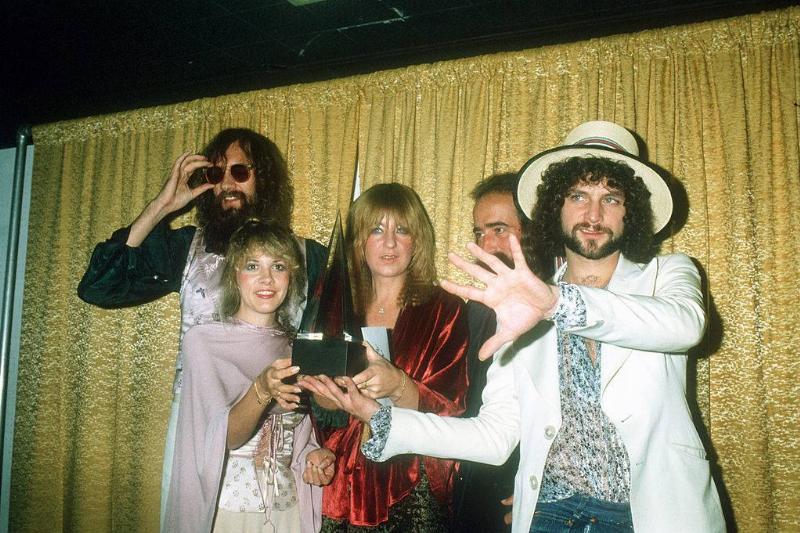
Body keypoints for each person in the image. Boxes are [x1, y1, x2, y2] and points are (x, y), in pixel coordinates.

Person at [304, 122, 726, 532]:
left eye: (611, 198)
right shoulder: (520, 303)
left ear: (630, 210)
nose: (593, 213)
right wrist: (378, 417)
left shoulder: (668, 274)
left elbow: (684, 326)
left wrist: (556, 303)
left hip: (654, 510)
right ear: (553, 209)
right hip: (552, 513)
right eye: (578, 195)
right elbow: (493, 436)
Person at [76, 128, 327, 528]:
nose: (226, 183)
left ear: (265, 178)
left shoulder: (306, 257)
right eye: (215, 174)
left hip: (275, 432)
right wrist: (162, 205)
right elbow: (100, 285)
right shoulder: (188, 247)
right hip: (197, 422)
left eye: (240, 171)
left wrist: (318, 445)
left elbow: (326, 357)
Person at [299, 183, 470, 532]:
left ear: (417, 241)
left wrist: (398, 385)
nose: (389, 243)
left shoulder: (446, 310)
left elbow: (453, 410)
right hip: (343, 481)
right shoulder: (332, 305)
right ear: (359, 241)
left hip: (410, 484)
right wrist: (325, 413)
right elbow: (318, 410)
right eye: (376, 229)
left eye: (401, 230)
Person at [165, 220, 334, 533]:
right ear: (234, 275)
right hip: (226, 513)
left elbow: (298, 437)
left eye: (278, 266)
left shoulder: (298, 348)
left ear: (291, 276)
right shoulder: (203, 342)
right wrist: (260, 389)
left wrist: (314, 457)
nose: (266, 278)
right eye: (253, 265)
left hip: (286, 514)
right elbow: (224, 438)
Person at [452, 172, 530, 532]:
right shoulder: (473, 309)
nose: (486, 244)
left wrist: (545, 485)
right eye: (479, 233)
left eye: (499, 229)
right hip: (475, 481)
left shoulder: (557, 304)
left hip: (524, 489)